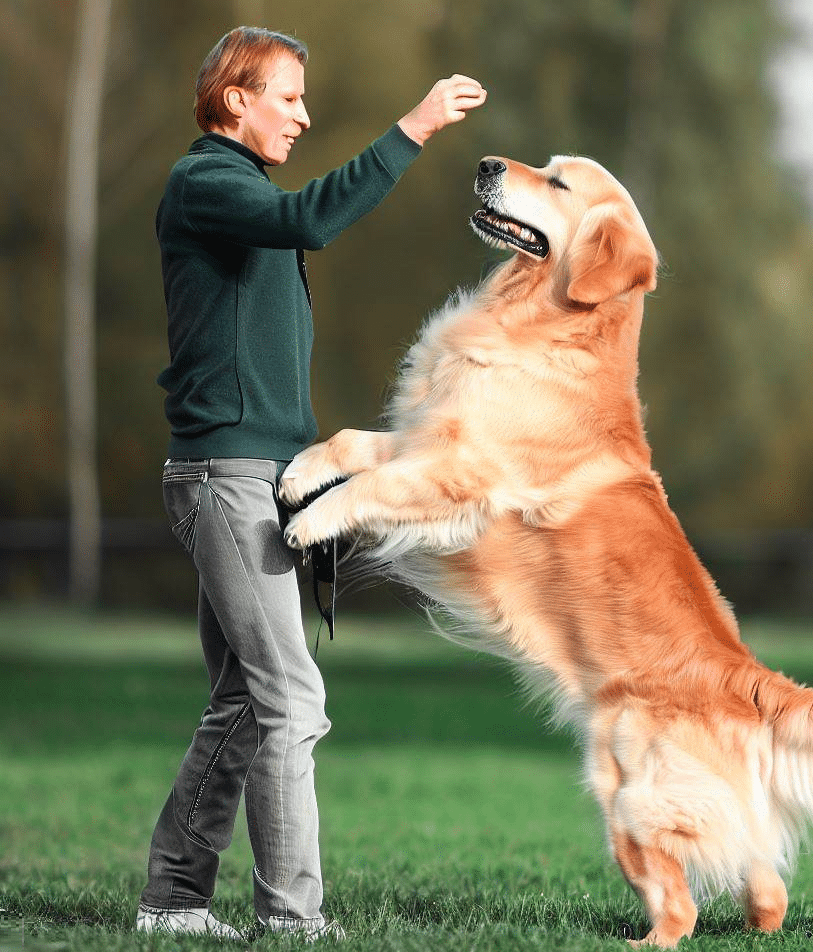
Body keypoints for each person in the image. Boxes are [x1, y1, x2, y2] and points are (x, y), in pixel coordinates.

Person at [138, 26, 486, 940]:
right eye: (287, 97)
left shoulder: (238, 191)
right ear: (236, 98)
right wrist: (409, 129)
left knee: (247, 699)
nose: (303, 113)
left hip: (258, 477)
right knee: (291, 696)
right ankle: (292, 920)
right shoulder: (206, 182)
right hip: (224, 475)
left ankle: (172, 900)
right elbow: (311, 220)